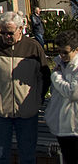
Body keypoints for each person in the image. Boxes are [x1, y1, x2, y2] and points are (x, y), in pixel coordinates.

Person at [0, 11, 51, 164]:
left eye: (9, 33)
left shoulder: (33, 47)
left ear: (20, 29)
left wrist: (37, 100)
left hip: (27, 111)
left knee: (28, 156)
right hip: (0, 111)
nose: (6, 36)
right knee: (0, 156)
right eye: (2, 32)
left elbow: (44, 76)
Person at [45, 29, 78, 163]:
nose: (62, 55)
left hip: (75, 126)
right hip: (61, 125)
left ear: (76, 49)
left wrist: (56, 77)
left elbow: (73, 93)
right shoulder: (59, 63)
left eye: (65, 52)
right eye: (59, 51)